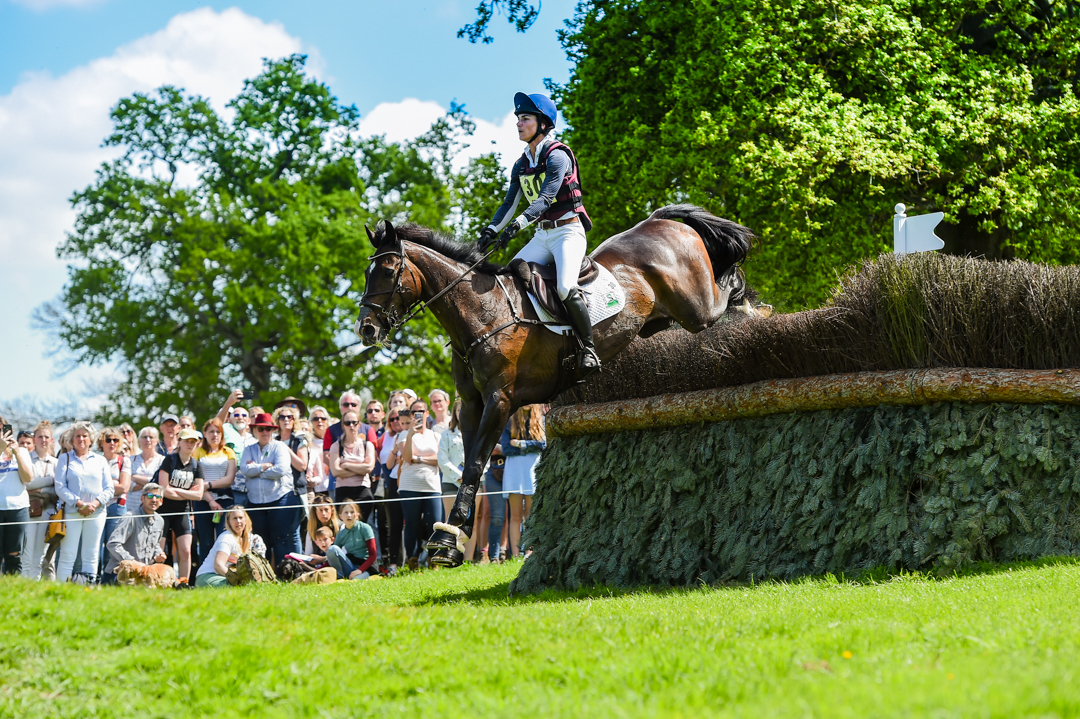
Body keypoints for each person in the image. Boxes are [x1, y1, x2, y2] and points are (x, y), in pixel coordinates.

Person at [477, 92, 599, 375]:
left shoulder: (557, 155)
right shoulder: (521, 164)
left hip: (568, 232)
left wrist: (517, 225)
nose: (519, 124)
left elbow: (545, 199)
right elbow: (510, 202)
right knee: (508, 279)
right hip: (543, 236)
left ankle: (589, 349)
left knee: (566, 287)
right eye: (518, 119)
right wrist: (491, 230)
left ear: (542, 123)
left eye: (525, 118)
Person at [55, 421, 113, 582]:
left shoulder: (100, 460)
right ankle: (59, 589)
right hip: (73, 512)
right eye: (77, 436)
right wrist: (79, 503)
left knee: (92, 553)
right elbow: (60, 487)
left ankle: (89, 588)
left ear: (90, 439)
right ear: (72, 440)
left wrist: (94, 504)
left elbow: (109, 488)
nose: (81, 439)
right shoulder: (64, 459)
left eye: (84, 436)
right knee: (68, 553)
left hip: (97, 513)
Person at [389, 400, 442, 569]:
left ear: (427, 413)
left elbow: (439, 460)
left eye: (420, 411)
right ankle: (413, 561)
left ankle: (434, 560)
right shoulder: (405, 434)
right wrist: (411, 434)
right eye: (413, 412)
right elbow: (406, 457)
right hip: (409, 485)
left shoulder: (435, 435)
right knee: (411, 524)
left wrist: (419, 459)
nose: (417, 415)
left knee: (435, 523)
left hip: (432, 485)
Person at [240, 412, 295, 567]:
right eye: (261, 429)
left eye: (268, 429)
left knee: (279, 539)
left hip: (280, 498)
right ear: (255, 430)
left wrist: (257, 472)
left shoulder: (280, 447)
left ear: (273, 430)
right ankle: (263, 574)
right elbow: (244, 469)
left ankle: (282, 575)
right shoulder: (249, 449)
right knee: (260, 539)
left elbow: (281, 469)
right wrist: (264, 467)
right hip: (255, 501)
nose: (264, 432)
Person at [155, 427, 206, 584]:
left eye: (193, 442)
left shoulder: (197, 465)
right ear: (180, 442)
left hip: (183, 511)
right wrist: (186, 492)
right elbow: (163, 489)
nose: (190, 444)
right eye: (187, 441)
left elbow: (198, 495)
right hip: (163, 511)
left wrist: (175, 490)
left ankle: (183, 583)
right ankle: (157, 581)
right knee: (159, 550)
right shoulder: (169, 460)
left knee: (185, 550)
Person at [501, 405, 547, 557]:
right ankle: (515, 555)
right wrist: (530, 447)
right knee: (515, 516)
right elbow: (506, 449)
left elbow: (543, 445)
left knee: (530, 515)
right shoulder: (510, 420)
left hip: (532, 472)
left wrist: (521, 444)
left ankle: (530, 552)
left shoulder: (541, 420)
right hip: (514, 472)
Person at [102, 482, 167, 584]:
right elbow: (113, 544)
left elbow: (156, 544)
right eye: (150, 496)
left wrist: (158, 554)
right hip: (121, 573)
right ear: (142, 499)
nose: (154, 500)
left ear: (161, 501)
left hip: (142, 574)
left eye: (157, 497)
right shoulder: (130, 517)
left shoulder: (160, 520)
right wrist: (131, 562)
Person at [193, 418, 237, 564]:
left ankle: (225, 573)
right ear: (204, 433)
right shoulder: (197, 452)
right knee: (205, 541)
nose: (215, 435)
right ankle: (204, 576)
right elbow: (196, 480)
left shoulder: (228, 452)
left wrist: (208, 485)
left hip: (225, 500)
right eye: (211, 431)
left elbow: (229, 479)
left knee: (223, 539)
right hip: (202, 501)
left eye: (218, 432)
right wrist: (210, 500)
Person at [21, 420, 59, 580]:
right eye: (40, 437)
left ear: (51, 440)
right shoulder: (26, 459)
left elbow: (59, 487)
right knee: (27, 553)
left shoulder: (56, 462)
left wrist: (36, 485)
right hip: (28, 509)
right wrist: (50, 480)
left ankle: (33, 587)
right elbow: (26, 482)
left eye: (46, 437)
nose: (43, 440)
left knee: (40, 554)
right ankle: (22, 585)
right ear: (34, 439)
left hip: (48, 511)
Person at [0, 420, 34, 575]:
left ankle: (12, 590)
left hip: (17, 508)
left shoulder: (22, 452)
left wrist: (17, 454)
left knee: (14, 555)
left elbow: (28, 478)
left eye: (4, 430)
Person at [274, 406, 309, 554]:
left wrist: (285, 448)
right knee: (279, 534)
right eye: (282, 417)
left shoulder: (299, 440)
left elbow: (302, 465)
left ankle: (298, 567)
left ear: (294, 420)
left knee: (294, 533)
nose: (286, 420)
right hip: (275, 492)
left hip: (294, 492)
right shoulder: (273, 440)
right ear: (277, 421)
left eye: (289, 417)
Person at [98, 427, 132, 574]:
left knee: (112, 546)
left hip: (117, 507)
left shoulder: (124, 461)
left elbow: (124, 487)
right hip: (98, 506)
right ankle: (94, 578)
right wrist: (113, 482)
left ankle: (109, 581)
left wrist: (104, 483)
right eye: (108, 440)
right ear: (102, 442)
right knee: (96, 545)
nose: (112, 443)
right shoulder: (95, 460)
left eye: (115, 440)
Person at [329, 410, 376, 519]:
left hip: (363, 490)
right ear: (343, 425)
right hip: (343, 491)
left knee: (362, 526)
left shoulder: (367, 445)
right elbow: (335, 471)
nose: (351, 426)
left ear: (359, 424)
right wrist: (360, 469)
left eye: (354, 422)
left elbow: (369, 468)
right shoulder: (336, 446)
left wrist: (346, 465)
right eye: (347, 423)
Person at [195, 507, 256, 588]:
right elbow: (218, 565)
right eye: (234, 518)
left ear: (246, 520)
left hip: (224, 576)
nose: (238, 521)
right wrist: (236, 579)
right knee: (239, 588)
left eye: (241, 518)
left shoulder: (249, 538)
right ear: (228, 522)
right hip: (208, 576)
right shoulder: (226, 537)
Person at [375, 411, 404, 575]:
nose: (395, 422)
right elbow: (386, 465)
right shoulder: (386, 436)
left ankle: (415, 559)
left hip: (410, 479)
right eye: (391, 419)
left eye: (398, 418)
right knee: (394, 524)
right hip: (391, 481)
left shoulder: (411, 433)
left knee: (414, 523)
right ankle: (394, 562)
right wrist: (395, 454)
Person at [325, 500, 376, 580]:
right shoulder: (341, 534)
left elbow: (373, 555)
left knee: (355, 580)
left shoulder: (365, 528)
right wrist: (315, 570)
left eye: (352, 512)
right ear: (340, 516)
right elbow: (332, 555)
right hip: (350, 566)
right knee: (332, 549)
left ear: (357, 515)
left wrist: (360, 570)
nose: (349, 515)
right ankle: (339, 576)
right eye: (346, 512)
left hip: (365, 567)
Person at [128, 427, 163, 508]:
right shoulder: (131, 460)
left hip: (153, 507)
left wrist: (134, 477)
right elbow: (128, 485)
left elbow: (160, 484)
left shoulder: (162, 461)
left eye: (151, 437)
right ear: (139, 440)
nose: (148, 440)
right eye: (144, 437)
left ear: (156, 440)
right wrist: (151, 484)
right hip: (131, 506)